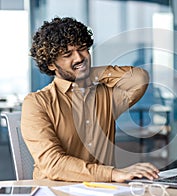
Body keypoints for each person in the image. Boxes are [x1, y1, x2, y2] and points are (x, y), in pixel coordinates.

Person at [21, 17, 159, 182]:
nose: (79, 58)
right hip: (55, 193)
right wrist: (113, 173)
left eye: (83, 49)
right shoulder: (37, 103)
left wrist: (87, 73)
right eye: (67, 54)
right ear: (52, 65)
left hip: (102, 193)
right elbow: (53, 163)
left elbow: (138, 79)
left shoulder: (106, 95)